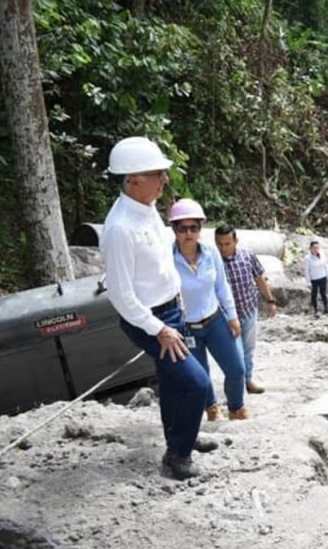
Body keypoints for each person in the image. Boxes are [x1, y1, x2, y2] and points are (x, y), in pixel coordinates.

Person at [100, 137, 209, 480]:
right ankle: (177, 455)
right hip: (150, 320)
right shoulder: (120, 228)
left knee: (174, 381)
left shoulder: (146, 210)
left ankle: (182, 437)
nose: (164, 180)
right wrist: (159, 329)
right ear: (133, 179)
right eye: (157, 174)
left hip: (171, 310)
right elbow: (120, 294)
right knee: (197, 383)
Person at [169, 199, 250, 422]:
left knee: (236, 369)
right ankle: (211, 408)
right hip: (187, 328)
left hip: (215, 321)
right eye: (182, 228)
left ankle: (237, 407)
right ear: (174, 229)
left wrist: (232, 317)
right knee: (200, 377)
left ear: (200, 229)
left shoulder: (210, 253)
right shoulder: (168, 258)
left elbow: (222, 285)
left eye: (193, 227)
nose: (188, 233)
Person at [215, 225, 275, 395]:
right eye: (219, 244)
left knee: (248, 349)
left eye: (227, 243)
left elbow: (259, 278)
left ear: (236, 241)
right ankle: (236, 386)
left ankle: (247, 380)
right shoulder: (213, 260)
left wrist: (270, 300)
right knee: (232, 352)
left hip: (248, 309)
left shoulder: (247, 256)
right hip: (225, 316)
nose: (223, 248)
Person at [305, 241, 328, 316]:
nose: (316, 249)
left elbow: (326, 266)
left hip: (323, 277)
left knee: (324, 293)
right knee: (314, 295)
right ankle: (316, 310)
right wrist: (308, 282)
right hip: (314, 279)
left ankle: (327, 308)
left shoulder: (322, 255)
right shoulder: (308, 258)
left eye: (317, 248)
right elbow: (307, 271)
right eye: (314, 248)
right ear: (310, 249)